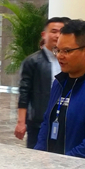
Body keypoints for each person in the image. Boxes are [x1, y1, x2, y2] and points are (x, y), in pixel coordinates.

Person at [34, 19, 85, 160]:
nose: (59, 56)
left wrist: (65, 163)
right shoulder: (58, 83)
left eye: (66, 51)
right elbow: (47, 123)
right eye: (57, 50)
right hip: (53, 168)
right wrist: (39, 154)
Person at [15, 17, 69, 148]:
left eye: (61, 32)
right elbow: (24, 92)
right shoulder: (33, 61)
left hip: (64, 121)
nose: (57, 35)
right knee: (37, 155)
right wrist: (21, 122)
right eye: (54, 31)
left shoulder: (68, 61)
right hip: (38, 122)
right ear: (44, 35)